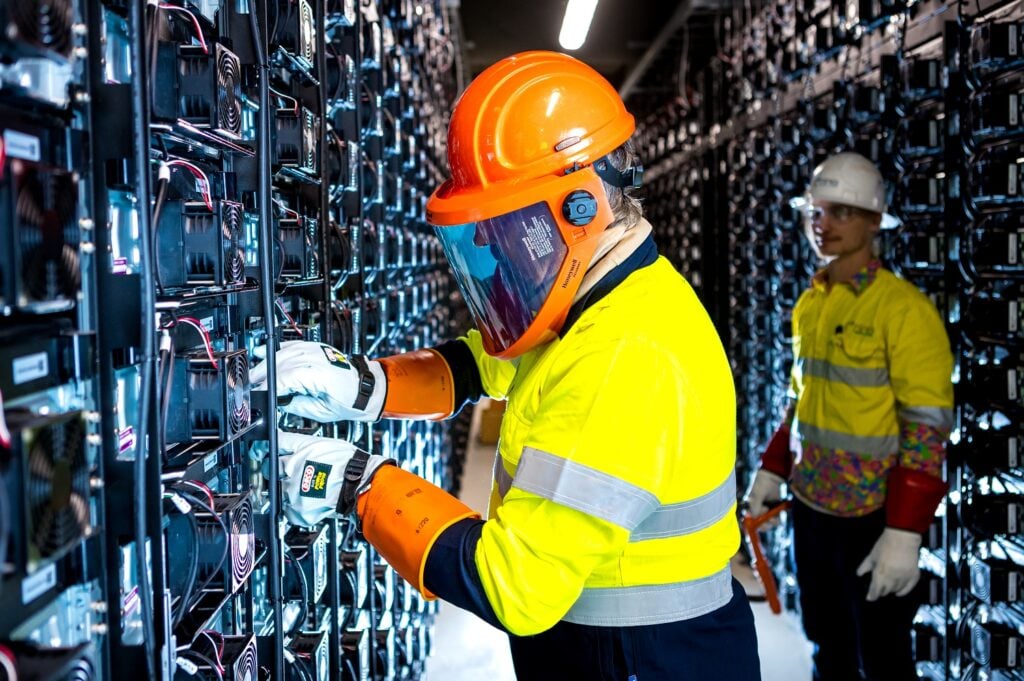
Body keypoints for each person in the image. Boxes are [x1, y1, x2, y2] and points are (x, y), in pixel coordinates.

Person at [253, 50, 760, 680]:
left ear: (576, 209)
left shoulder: (625, 354)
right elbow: (491, 362)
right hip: (618, 647)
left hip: (646, 658)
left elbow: (512, 585)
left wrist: (357, 483)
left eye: (504, 228)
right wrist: (364, 386)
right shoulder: (600, 297)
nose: (491, 255)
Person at [744, 152, 953, 681]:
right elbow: (802, 399)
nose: (824, 225)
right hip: (813, 511)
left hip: (873, 519)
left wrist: (905, 533)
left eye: (842, 212)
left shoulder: (904, 311)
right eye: (817, 212)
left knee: (882, 658)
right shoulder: (812, 303)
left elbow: (926, 429)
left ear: (874, 221)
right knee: (827, 649)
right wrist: (773, 468)